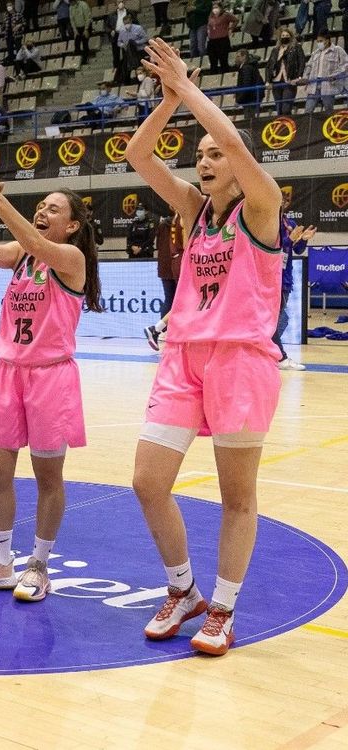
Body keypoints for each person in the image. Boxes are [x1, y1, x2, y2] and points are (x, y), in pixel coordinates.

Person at [127, 38, 285, 656]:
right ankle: (183, 588)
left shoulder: (263, 207)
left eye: (217, 153)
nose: (208, 161)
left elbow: (242, 149)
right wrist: (169, 102)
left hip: (241, 361)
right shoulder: (195, 211)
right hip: (183, 359)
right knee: (147, 480)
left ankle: (222, 605)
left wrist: (192, 90)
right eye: (202, 155)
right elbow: (140, 154)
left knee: (236, 495)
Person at [0, 161, 103, 602]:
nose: (43, 211)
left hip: (50, 377)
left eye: (54, 209)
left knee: (46, 476)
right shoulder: (23, 255)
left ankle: (39, 564)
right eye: (41, 205)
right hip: (8, 373)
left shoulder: (70, 259)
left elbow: (34, 239)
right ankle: (0, 562)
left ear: (72, 226)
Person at [276, 192, 315, 370]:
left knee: (281, 319)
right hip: (272, 276)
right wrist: (288, 240)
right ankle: (279, 357)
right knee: (278, 320)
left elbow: (297, 250)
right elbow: (272, 247)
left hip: (286, 276)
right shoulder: (268, 223)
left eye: (284, 200)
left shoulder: (289, 223)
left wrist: (303, 240)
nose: (282, 203)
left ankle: (272, 353)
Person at [298, 32, 348, 113]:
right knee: (308, 110)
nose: (319, 43)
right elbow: (308, 66)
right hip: (314, 84)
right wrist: (305, 78)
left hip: (328, 85)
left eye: (320, 41)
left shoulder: (337, 50)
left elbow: (345, 64)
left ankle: (329, 125)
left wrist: (335, 75)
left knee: (328, 110)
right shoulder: (315, 53)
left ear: (327, 41)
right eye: (317, 41)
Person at [265, 29, 306, 115]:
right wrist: (268, 80)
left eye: (287, 35)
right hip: (276, 81)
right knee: (279, 109)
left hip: (290, 80)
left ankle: (290, 124)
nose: (284, 37)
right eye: (283, 36)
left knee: (286, 108)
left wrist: (299, 76)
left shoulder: (296, 47)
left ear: (291, 37)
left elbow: (301, 62)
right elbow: (269, 65)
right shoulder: (275, 50)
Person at [206, 4, 237, 74]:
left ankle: (225, 76)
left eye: (216, 7)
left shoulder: (226, 15)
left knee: (223, 61)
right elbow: (209, 25)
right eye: (213, 8)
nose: (215, 9)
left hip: (223, 40)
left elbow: (235, 20)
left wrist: (230, 29)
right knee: (213, 63)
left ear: (220, 8)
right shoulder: (211, 15)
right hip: (212, 41)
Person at [234, 49, 265, 113]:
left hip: (251, 97)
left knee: (250, 118)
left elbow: (246, 85)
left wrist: (238, 100)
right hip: (253, 96)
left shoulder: (246, 67)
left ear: (244, 56)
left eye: (238, 56)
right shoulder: (248, 66)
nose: (236, 59)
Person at [70, 0, 92, 64]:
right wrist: (74, 30)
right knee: (76, 44)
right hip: (77, 28)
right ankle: (77, 61)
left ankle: (85, 60)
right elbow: (72, 20)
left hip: (86, 26)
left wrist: (86, 29)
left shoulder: (84, 5)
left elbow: (88, 18)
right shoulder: (71, 7)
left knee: (85, 43)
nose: (71, 4)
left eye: (72, 2)